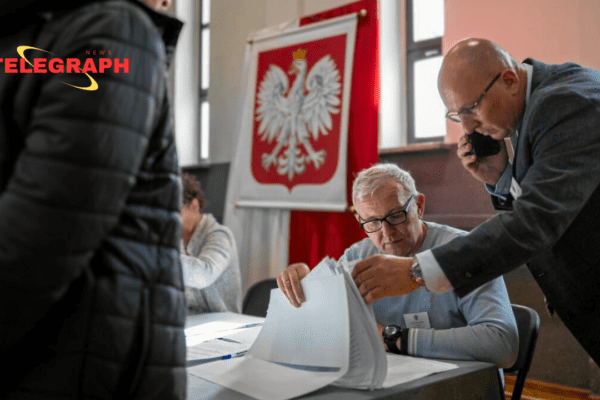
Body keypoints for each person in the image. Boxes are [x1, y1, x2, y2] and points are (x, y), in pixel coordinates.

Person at [351, 38, 600, 367]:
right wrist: (500, 179)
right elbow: (554, 205)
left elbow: (536, 221)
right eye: (456, 116)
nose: (466, 128)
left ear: (509, 80)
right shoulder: (540, 108)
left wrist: (418, 271)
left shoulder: (565, 102)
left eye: (470, 110)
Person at [0, 1, 187, 399]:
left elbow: (41, 237)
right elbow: (34, 245)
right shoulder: (107, 28)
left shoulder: (97, 32)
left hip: (78, 355)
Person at [278, 164, 518, 370]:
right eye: (372, 222)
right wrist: (307, 287)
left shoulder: (461, 252)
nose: (387, 234)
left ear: (419, 206)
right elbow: (327, 325)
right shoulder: (357, 256)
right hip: (389, 381)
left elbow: (502, 344)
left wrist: (394, 338)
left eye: (395, 216)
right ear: (359, 221)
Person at [180, 173, 242, 314]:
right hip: (190, 324)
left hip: (222, 326)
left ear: (194, 206)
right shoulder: (176, 238)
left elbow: (204, 275)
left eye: (175, 211)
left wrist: (160, 256)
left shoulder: (220, 235)